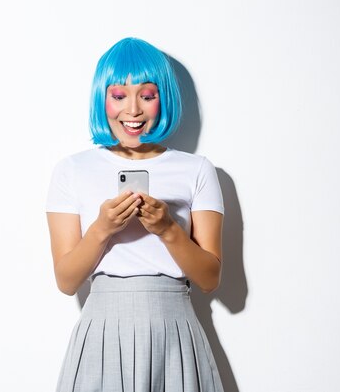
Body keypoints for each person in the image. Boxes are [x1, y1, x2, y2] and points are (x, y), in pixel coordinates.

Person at [46, 37, 225, 392]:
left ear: (164, 99)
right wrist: (101, 229)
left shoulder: (197, 170)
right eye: (118, 96)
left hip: (174, 327)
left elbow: (209, 278)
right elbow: (66, 281)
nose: (133, 111)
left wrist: (167, 229)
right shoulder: (72, 170)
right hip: (102, 328)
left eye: (146, 95)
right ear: (103, 99)